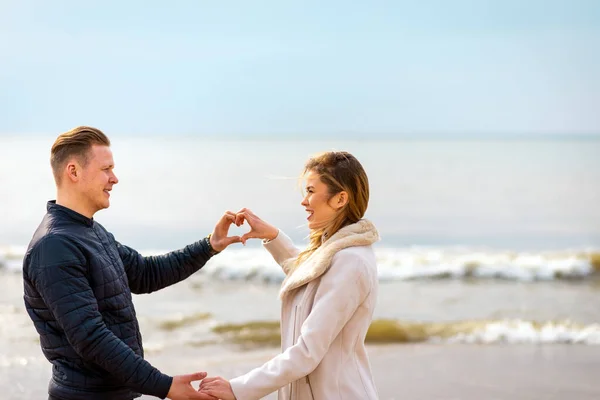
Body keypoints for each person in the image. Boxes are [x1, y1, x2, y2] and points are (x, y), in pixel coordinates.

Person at [22, 126, 239, 400]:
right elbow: (91, 337)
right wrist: (165, 386)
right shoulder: (54, 247)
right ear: (74, 171)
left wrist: (210, 245)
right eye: (106, 169)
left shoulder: (90, 232)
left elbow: (145, 273)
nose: (115, 178)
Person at [199, 151, 380, 400]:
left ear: (340, 199)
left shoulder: (351, 262)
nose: (304, 201)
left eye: (311, 191)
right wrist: (271, 236)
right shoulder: (333, 251)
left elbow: (307, 352)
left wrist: (237, 388)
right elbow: (308, 275)